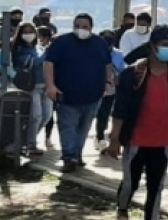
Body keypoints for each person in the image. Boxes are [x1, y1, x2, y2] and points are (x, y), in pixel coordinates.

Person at [109, 25, 168, 220]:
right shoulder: (134, 74)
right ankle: (122, 210)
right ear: (152, 46)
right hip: (135, 139)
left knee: (156, 186)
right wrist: (115, 139)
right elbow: (120, 108)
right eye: (164, 44)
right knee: (130, 183)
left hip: (162, 141)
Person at [44, 13, 112, 172]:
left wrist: (108, 83)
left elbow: (107, 65)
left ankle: (77, 153)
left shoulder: (99, 43)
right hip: (67, 95)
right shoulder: (62, 42)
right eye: (77, 26)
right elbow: (48, 63)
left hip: (93, 95)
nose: (81, 29)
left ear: (91, 27)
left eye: (85, 26)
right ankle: (69, 156)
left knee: (84, 127)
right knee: (67, 126)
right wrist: (50, 86)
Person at [12, 22, 49, 155]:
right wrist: (47, 52)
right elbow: (34, 63)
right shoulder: (19, 50)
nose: (28, 35)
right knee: (35, 116)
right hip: (32, 86)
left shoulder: (38, 48)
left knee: (46, 115)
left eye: (31, 31)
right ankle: (30, 143)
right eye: (25, 32)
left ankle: (25, 139)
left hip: (45, 85)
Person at [94, 29, 126, 153]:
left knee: (106, 112)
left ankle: (103, 137)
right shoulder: (93, 52)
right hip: (96, 86)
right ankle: (100, 136)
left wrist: (117, 76)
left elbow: (122, 70)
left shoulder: (118, 54)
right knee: (99, 113)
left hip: (112, 87)